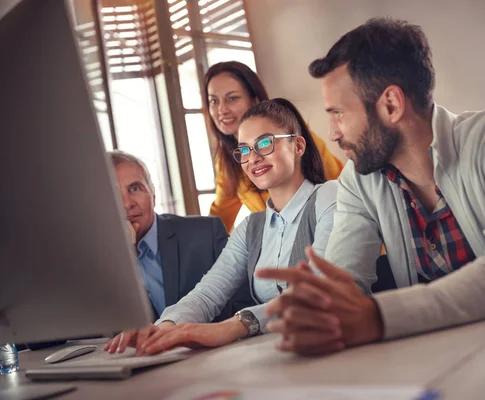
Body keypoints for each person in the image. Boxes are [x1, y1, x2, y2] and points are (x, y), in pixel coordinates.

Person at [256, 18, 485, 399]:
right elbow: (345, 283)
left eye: (338, 113)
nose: (333, 133)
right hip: (452, 376)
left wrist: (376, 317)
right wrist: (317, 307)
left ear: (390, 104)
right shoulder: (359, 178)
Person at [104, 98, 338, 355]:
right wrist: (164, 327)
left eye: (264, 143)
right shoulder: (250, 228)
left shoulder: (329, 196)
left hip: (337, 346)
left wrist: (236, 325)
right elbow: (207, 293)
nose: (254, 158)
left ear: (298, 145)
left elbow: (320, 288)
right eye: (245, 151)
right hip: (280, 353)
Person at [205, 61, 344, 231]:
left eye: (232, 98)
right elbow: (220, 216)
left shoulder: (291, 137)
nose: (222, 110)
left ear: (254, 99)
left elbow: (340, 187)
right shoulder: (228, 162)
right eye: (213, 101)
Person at [108, 151, 233, 321]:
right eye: (113, 194)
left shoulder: (206, 234)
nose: (127, 203)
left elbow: (244, 306)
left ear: (153, 193)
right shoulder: (91, 263)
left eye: (135, 188)